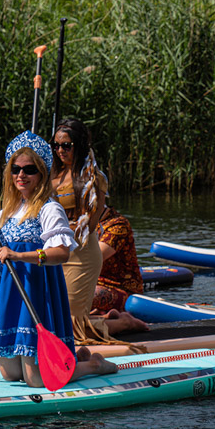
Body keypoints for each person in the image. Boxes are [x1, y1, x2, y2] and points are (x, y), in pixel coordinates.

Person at [0, 130, 115, 387]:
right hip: (9, 294)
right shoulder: (8, 211)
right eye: (16, 170)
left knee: (37, 380)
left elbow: (61, 253)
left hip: (34, 291)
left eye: (29, 169)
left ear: (41, 174)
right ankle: (77, 358)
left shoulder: (49, 209)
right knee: (10, 374)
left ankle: (93, 365)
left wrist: (19, 255)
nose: (21, 175)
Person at [50, 117, 144, 338]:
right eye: (56, 145)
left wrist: (61, 234)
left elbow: (90, 225)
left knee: (71, 327)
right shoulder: (52, 175)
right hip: (57, 250)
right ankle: (106, 320)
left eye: (66, 145)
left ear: (79, 145)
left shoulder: (93, 178)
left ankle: (125, 325)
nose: (60, 150)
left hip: (80, 252)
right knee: (55, 316)